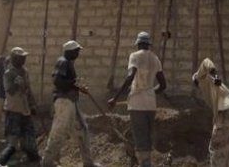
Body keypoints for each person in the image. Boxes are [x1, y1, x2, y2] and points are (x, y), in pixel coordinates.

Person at [108, 32, 167, 167]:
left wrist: (115, 98)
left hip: (137, 104)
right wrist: (150, 92)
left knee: (140, 138)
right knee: (146, 136)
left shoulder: (134, 56)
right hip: (151, 104)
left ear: (138, 44)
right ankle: (141, 161)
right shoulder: (155, 59)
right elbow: (163, 85)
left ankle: (145, 164)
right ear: (148, 44)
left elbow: (130, 77)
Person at [41, 41, 102, 167]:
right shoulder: (63, 62)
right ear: (69, 52)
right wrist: (75, 84)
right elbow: (57, 81)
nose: (78, 53)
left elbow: (68, 82)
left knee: (82, 130)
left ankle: (88, 162)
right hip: (64, 102)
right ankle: (47, 162)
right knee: (59, 131)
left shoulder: (68, 63)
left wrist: (78, 87)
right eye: (76, 51)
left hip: (71, 102)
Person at [192, 58, 229, 167]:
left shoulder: (202, 79)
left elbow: (206, 62)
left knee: (217, 149)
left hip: (225, 112)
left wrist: (215, 75)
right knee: (225, 151)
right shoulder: (211, 86)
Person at [2, 47, 41, 164]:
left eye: (24, 58)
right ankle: (11, 159)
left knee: (29, 135)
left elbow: (28, 90)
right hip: (13, 108)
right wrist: (17, 84)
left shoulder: (25, 72)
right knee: (13, 136)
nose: (24, 60)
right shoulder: (9, 73)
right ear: (15, 59)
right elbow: (10, 91)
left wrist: (32, 105)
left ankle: (31, 157)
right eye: (21, 58)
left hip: (25, 109)